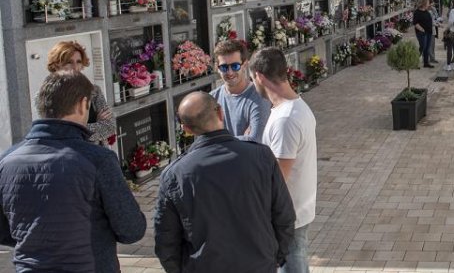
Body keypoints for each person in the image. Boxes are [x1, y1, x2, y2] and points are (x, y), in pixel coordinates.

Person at [0, 71, 146, 272]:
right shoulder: (97, 159)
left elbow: (4, 231)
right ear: (82, 104)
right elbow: (131, 229)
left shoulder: (7, 160)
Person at [154, 92, 296, 273]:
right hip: (259, 264)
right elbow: (284, 215)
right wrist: (275, 257)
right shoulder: (261, 156)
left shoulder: (174, 175)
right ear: (220, 113)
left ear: (186, 129)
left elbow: (166, 241)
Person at [250, 47, 318, 273]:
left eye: (252, 79)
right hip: (296, 212)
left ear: (259, 76)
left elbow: (277, 179)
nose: (253, 84)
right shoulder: (294, 107)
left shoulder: (285, 119)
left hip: (287, 218)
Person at [46, 41, 116, 146]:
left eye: (78, 62)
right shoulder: (46, 97)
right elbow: (61, 133)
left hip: (96, 155)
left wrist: (77, 127)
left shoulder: (94, 91)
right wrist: (96, 124)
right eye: (69, 62)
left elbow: (109, 127)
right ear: (56, 65)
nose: (75, 67)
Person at [210, 39, 271, 142]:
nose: (230, 72)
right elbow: (206, 143)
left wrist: (219, 141)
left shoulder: (259, 97)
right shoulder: (212, 98)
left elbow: (255, 142)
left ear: (245, 65)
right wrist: (244, 138)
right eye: (224, 67)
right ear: (217, 68)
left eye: (235, 66)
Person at [413, 0, 435, 68]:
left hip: (429, 32)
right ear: (424, 3)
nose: (429, 4)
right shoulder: (417, 12)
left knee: (427, 48)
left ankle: (426, 63)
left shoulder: (427, 11)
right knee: (422, 47)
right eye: (428, 3)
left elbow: (430, 21)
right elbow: (415, 23)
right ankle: (414, 62)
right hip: (421, 33)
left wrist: (436, 24)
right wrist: (422, 29)